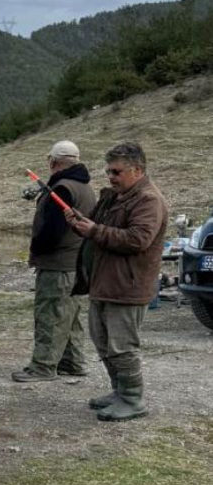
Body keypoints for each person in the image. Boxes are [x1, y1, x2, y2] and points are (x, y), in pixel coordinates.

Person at [64, 142, 167, 421]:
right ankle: (119, 391)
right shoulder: (115, 196)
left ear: (137, 170)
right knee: (103, 342)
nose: (110, 177)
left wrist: (95, 230)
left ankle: (133, 399)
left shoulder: (148, 199)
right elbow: (98, 229)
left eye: (116, 172)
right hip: (104, 283)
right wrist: (80, 223)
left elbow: (138, 239)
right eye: (109, 171)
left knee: (122, 346)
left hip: (128, 287)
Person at [13, 141, 97, 382]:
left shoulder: (62, 189)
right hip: (76, 264)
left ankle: (43, 367)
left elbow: (51, 232)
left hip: (58, 265)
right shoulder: (85, 187)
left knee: (50, 315)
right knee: (68, 315)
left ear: (53, 162)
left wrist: (37, 250)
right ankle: (73, 362)